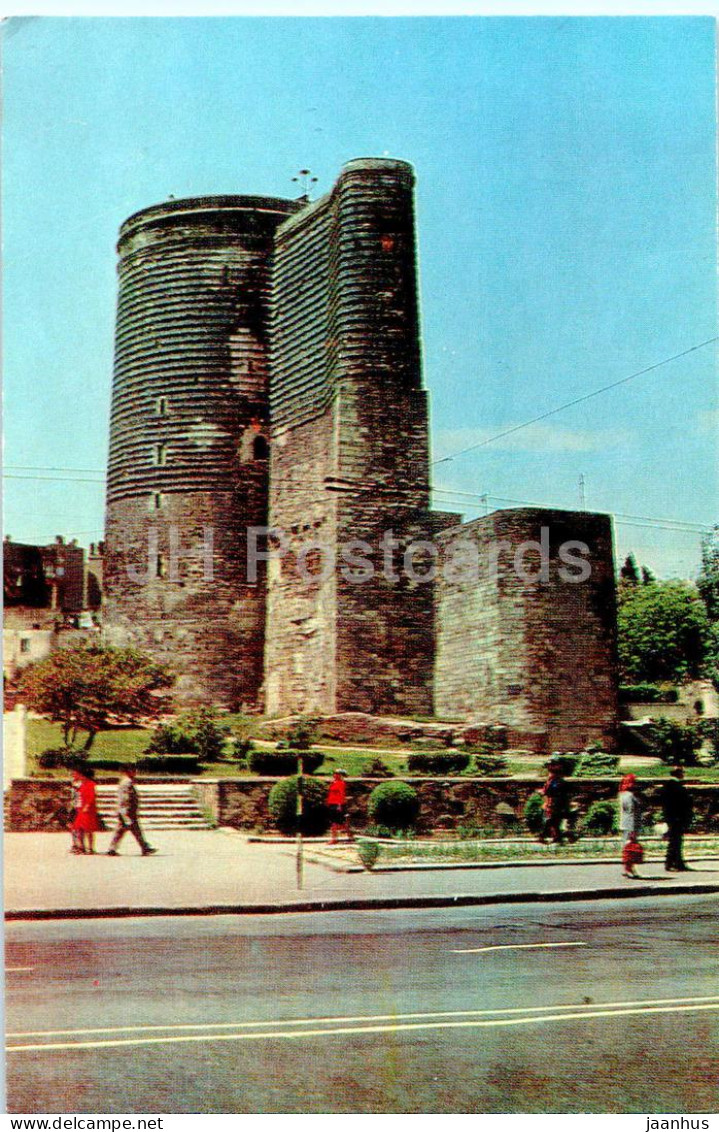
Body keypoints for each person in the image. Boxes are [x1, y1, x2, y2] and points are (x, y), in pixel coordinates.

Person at [106, 766, 156, 856]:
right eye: (133, 771)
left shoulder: (126, 781)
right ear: (128, 771)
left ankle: (144, 847)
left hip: (126, 810)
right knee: (130, 830)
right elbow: (125, 798)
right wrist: (125, 812)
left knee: (124, 830)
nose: (135, 772)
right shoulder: (127, 782)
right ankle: (144, 847)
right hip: (127, 810)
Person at [659, 766, 693, 872]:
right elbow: (683, 804)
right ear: (679, 774)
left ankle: (676, 862)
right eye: (682, 773)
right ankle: (671, 863)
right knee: (676, 841)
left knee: (674, 841)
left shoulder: (666, 786)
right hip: (678, 818)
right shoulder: (678, 787)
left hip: (671, 817)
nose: (683, 775)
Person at [70, 767, 101, 854]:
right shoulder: (82, 784)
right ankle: (81, 847)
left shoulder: (91, 784)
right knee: (78, 829)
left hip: (88, 810)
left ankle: (90, 848)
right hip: (81, 809)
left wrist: (87, 806)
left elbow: (92, 796)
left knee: (88, 830)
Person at [618, 774, 642, 878]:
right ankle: (628, 868)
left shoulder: (623, 794)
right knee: (630, 848)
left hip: (626, 824)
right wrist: (632, 829)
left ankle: (629, 868)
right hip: (630, 824)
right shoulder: (629, 796)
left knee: (628, 847)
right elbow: (631, 812)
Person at [539, 760, 568, 844]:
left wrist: (543, 792)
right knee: (554, 821)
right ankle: (558, 838)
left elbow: (552, 791)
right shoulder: (554, 781)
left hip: (554, 804)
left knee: (552, 820)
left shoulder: (556, 782)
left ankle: (543, 836)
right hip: (554, 803)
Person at [326, 769, 351, 844]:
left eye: (337, 774)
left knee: (336, 822)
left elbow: (341, 794)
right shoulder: (334, 783)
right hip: (332, 803)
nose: (335, 775)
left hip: (337, 804)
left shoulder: (341, 783)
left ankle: (334, 838)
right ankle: (348, 835)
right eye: (334, 774)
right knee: (335, 822)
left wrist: (339, 805)